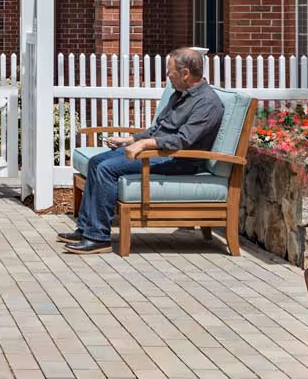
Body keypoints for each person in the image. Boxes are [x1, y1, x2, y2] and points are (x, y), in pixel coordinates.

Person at [62, 47, 224, 255]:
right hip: (160, 153)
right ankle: (86, 228)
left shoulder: (207, 104)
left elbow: (182, 141)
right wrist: (130, 140)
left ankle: (98, 238)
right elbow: (158, 129)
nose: (167, 76)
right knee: (96, 162)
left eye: (170, 71)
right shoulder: (180, 94)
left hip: (179, 160)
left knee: (106, 169)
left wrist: (144, 145)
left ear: (185, 74)